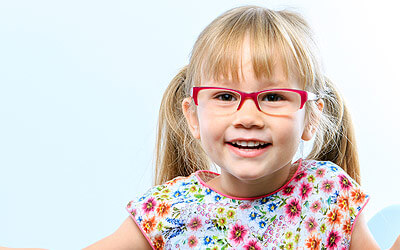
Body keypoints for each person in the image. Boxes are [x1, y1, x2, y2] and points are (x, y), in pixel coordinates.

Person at [82, 5, 398, 250]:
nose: (247, 116)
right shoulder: (165, 211)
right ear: (193, 117)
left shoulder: (328, 193)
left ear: (311, 117)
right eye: (225, 96)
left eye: (273, 97)